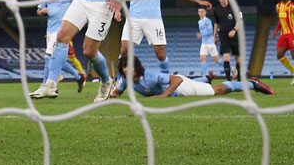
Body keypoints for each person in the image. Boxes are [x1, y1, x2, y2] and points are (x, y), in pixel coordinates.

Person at [32, 0, 87, 98]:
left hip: (63, 30)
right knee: (55, 60)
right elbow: (38, 11)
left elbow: (81, 4)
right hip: (50, 30)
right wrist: (42, 11)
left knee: (48, 57)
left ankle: (46, 86)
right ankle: (77, 76)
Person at [113, 55, 273, 98]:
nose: (127, 70)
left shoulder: (150, 76)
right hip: (181, 85)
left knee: (218, 91)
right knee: (201, 84)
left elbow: (177, 80)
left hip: (181, 88)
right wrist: (108, 95)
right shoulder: (127, 80)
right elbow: (117, 92)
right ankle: (205, 78)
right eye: (124, 67)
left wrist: (163, 96)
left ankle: (253, 84)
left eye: (130, 66)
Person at [213, 0, 243, 80]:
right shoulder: (217, 10)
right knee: (226, 57)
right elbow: (216, 23)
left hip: (235, 35)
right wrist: (214, 36)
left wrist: (234, 30)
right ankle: (228, 80)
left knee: (238, 57)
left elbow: (240, 20)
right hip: (223, 35)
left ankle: (239, 78)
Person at [271, 0, 294, 84]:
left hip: (292, 33)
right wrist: (276, 31)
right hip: (283, 35)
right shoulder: (278, 6)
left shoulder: (292, 6)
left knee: (293, 56)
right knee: (279, 55)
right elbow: (281, 20)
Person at [196, 7, 220, 78]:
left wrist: (201, 35)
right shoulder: (199, 22)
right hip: (204, 43)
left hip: (210, 43)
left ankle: (230, 68)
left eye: (202, 11)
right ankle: (204, 75)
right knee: (202, 58)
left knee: (216, 60)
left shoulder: (207, 21)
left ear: (205, 12)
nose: (200, 13)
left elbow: (210, 32)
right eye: (199, 11)